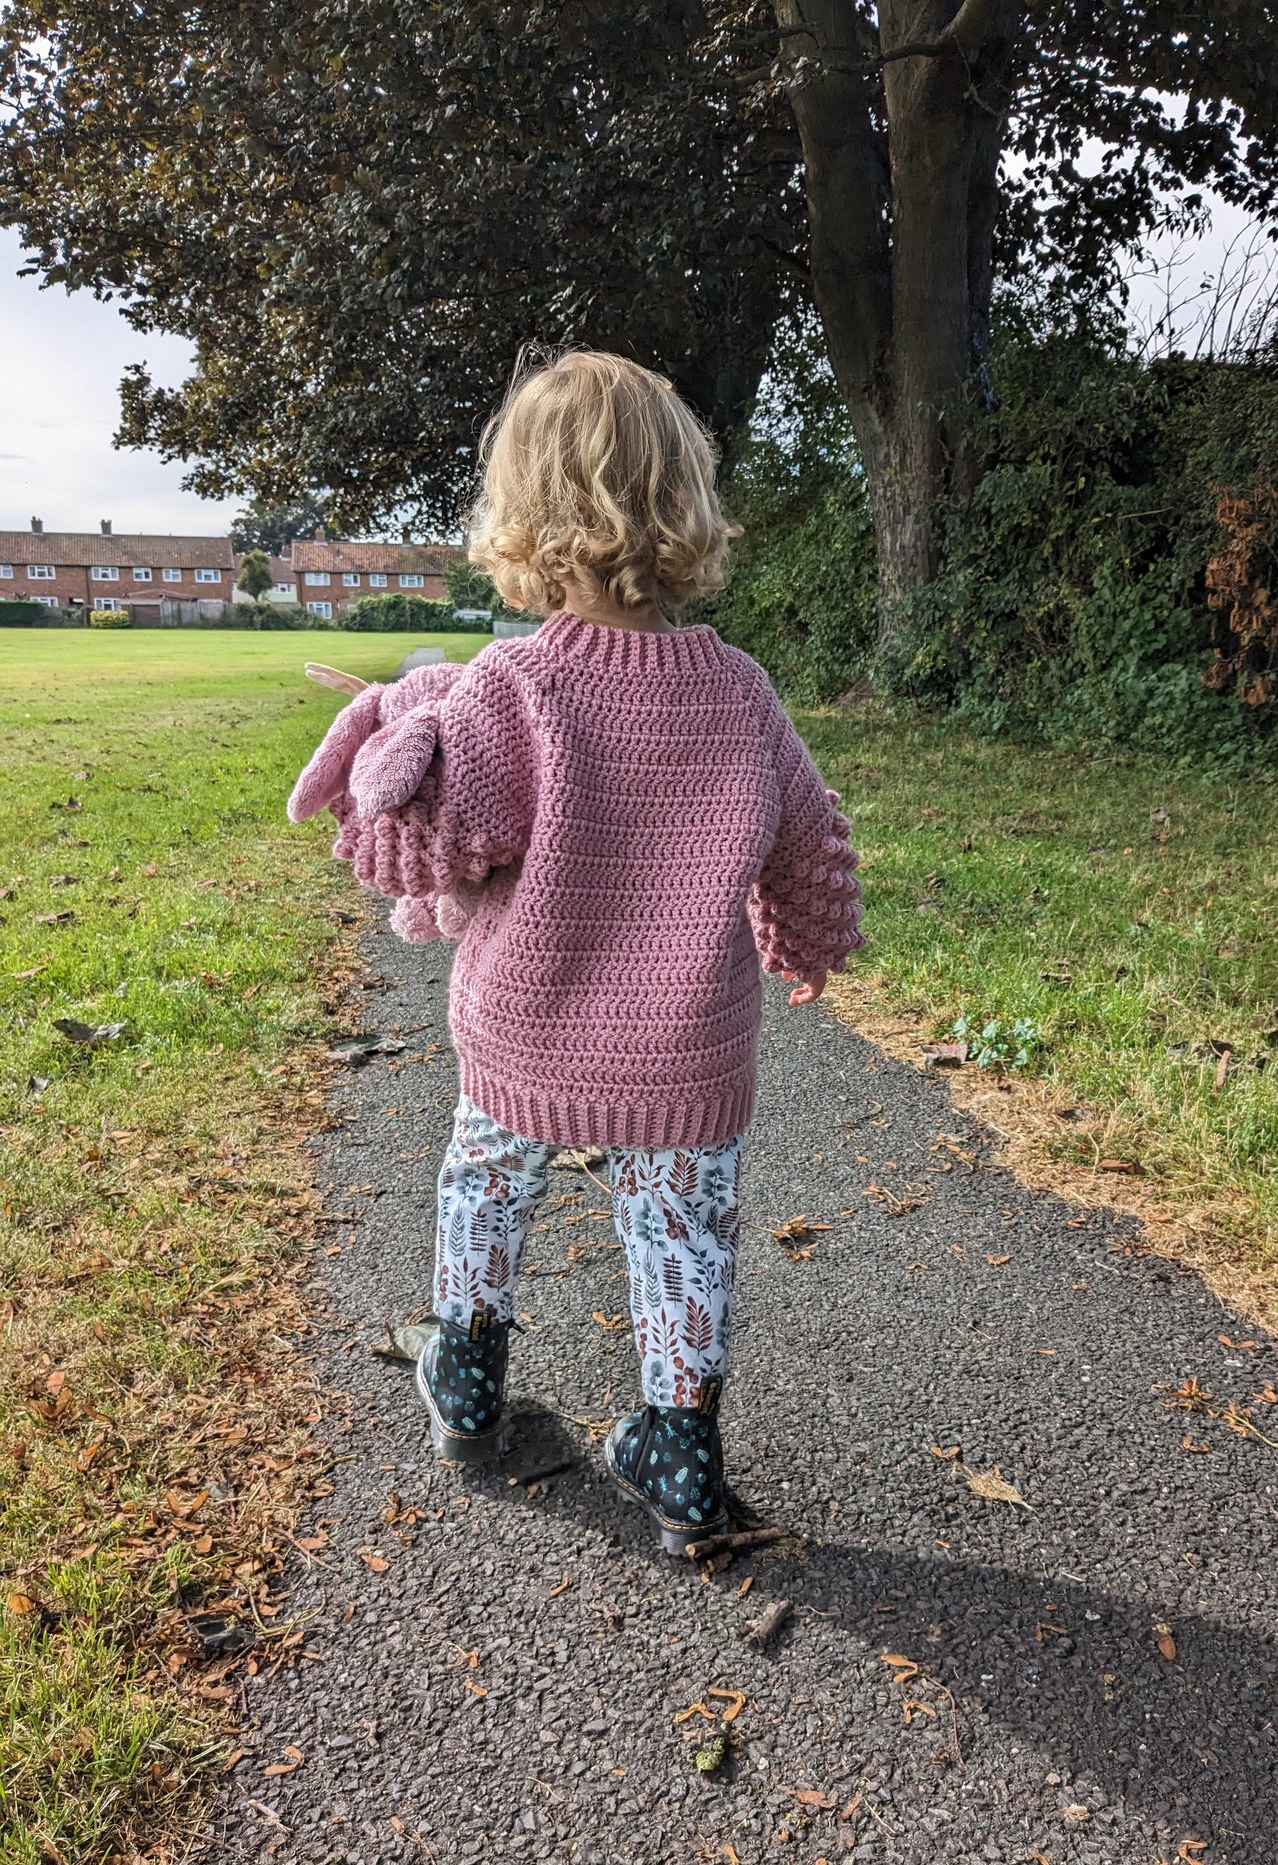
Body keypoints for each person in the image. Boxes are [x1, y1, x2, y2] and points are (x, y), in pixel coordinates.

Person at [287, 350, 863, 1554]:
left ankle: (466, 1378)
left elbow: (453, 845)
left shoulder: (513, 684)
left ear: (525, 518)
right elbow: (806, 838)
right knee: (683, 1235)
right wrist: (805, 939)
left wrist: (411, 742)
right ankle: (680, 1452)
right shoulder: (738, 689)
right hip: (683, 1046)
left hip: (523, 1021)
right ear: (685, 509)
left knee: (485, 1185)